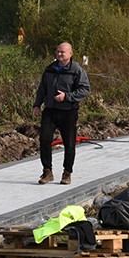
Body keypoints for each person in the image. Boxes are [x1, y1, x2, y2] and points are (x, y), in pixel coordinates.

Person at [32, 41, 90, 185]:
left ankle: (67, 173)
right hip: (50, 111)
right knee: (44, 139)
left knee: (69, 143)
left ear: (70, 54)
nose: (59, 54)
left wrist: (67, 97)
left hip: (68, 112)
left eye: (62, 52)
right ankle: (47, 171)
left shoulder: (76, 71)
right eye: (58, 51)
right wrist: (37, 104)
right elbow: (42, 89)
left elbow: (85, 89)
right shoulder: (50, 69)